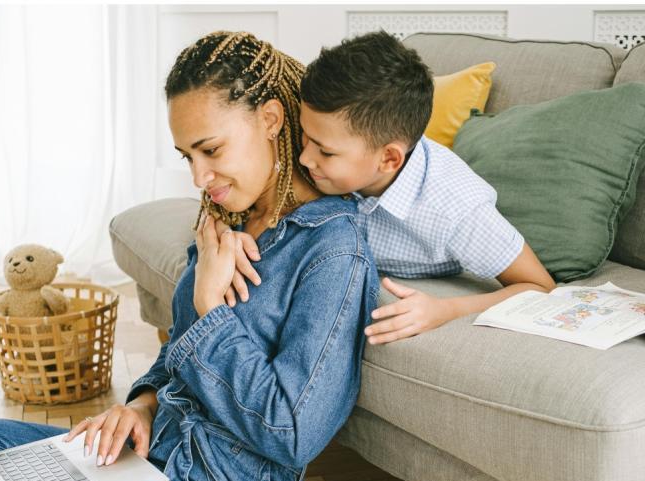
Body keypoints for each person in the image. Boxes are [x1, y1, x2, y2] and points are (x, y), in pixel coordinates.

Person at [0, 31, 378, 481]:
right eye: (187, 156)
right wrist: (142, 404)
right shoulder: (225, 221)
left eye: (211, 149)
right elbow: (176, 353)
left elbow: (292, 432)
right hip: (141, 458)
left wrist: (213, 312)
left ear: (271, 119)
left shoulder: (333, 251)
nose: (200, 177)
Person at [225, 31, 555, 344]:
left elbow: (539, 286)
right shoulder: (326, 143)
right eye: (304, 136)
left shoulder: (456, 209)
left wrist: (445, 310)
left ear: (388, 160)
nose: (305, 158)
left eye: (325, 151)